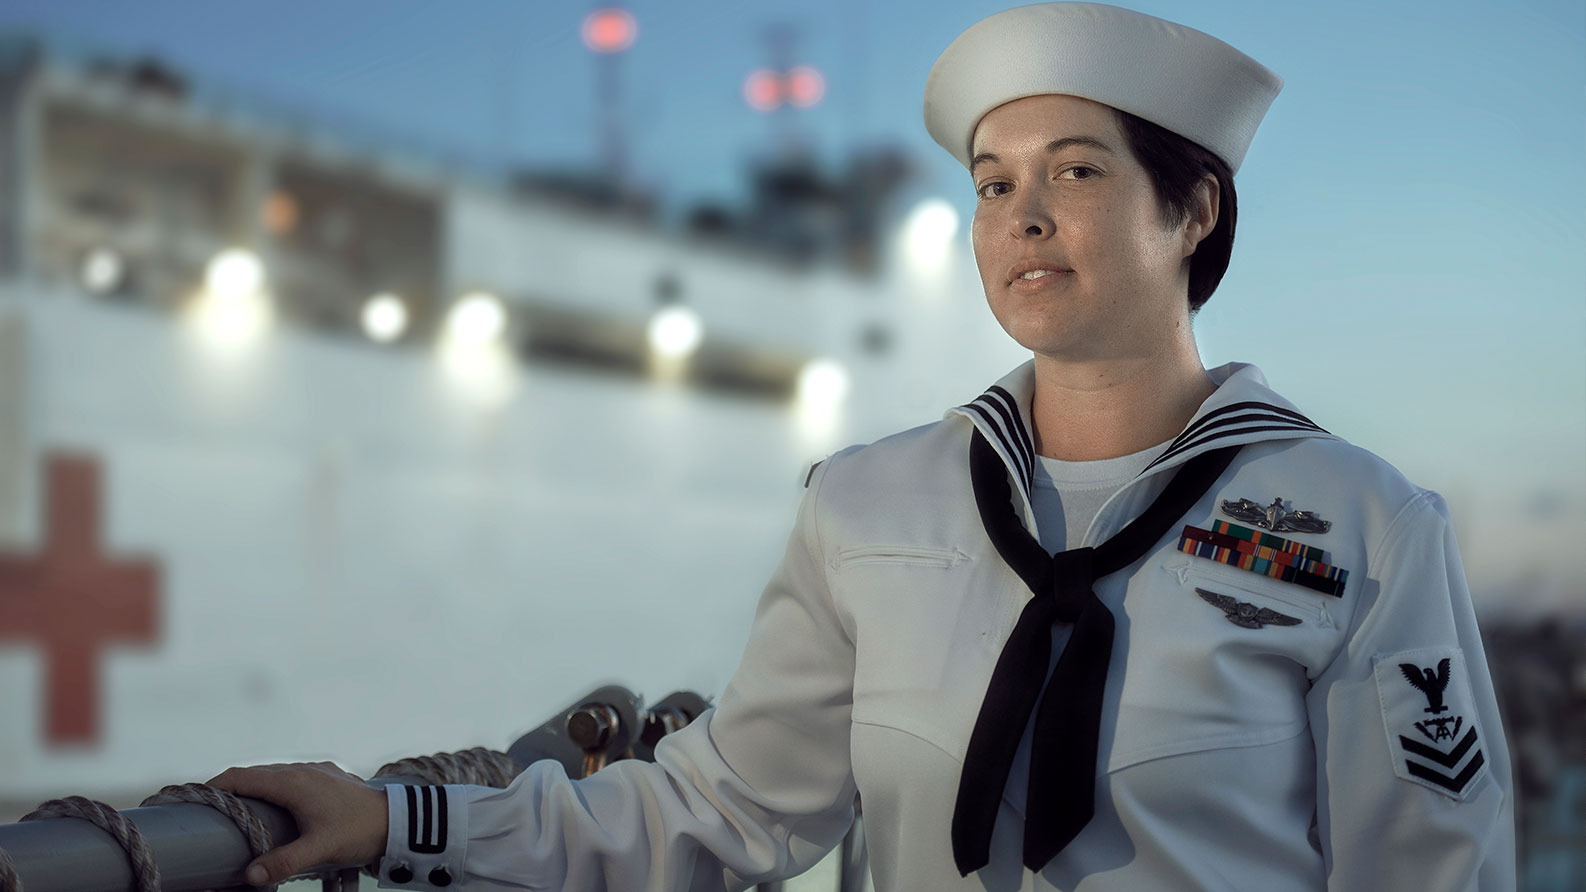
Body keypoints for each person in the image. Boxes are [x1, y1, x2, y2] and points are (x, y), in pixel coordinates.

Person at [211, 3, 1515, 889]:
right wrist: (397, 822)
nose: (1021, 217)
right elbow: (711, 811)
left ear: (1193, 210)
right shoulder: (873, 505)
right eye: (993, 183)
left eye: (1074, 172)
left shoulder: (1354, 524)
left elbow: (1428, 869)